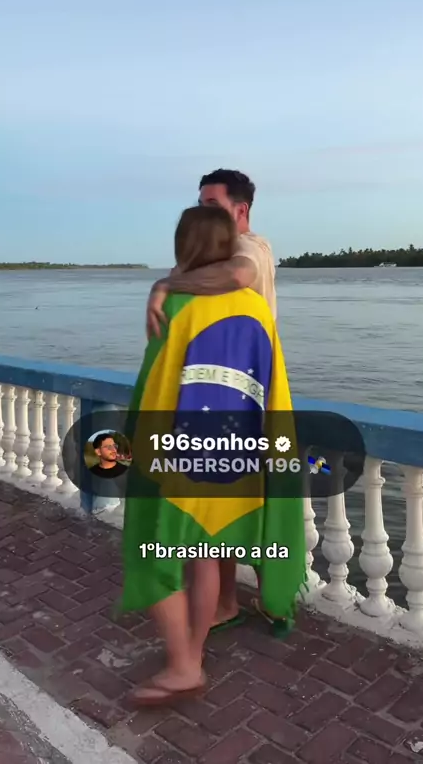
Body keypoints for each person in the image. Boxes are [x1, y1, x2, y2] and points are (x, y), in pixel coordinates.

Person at [121, 205, 305, 706]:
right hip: (236, 454)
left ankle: (184, 665)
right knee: (205, 553)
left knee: (153, 551)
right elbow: (272, 384)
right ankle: (192, 656)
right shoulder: (256, 308)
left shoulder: (178, 304)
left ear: (184, 246)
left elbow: (155, 385)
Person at [146, 169, 276, 630]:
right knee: (230, 509)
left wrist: (164, 286)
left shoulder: (249, 248)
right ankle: (234, 602)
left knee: (231, 512)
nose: (203, 212)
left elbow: (238, 275)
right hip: (233, 397)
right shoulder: (229, 254)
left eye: (212, 205)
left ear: (241, 210)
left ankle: (265, 601)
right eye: (200, 204)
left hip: (234, 401)